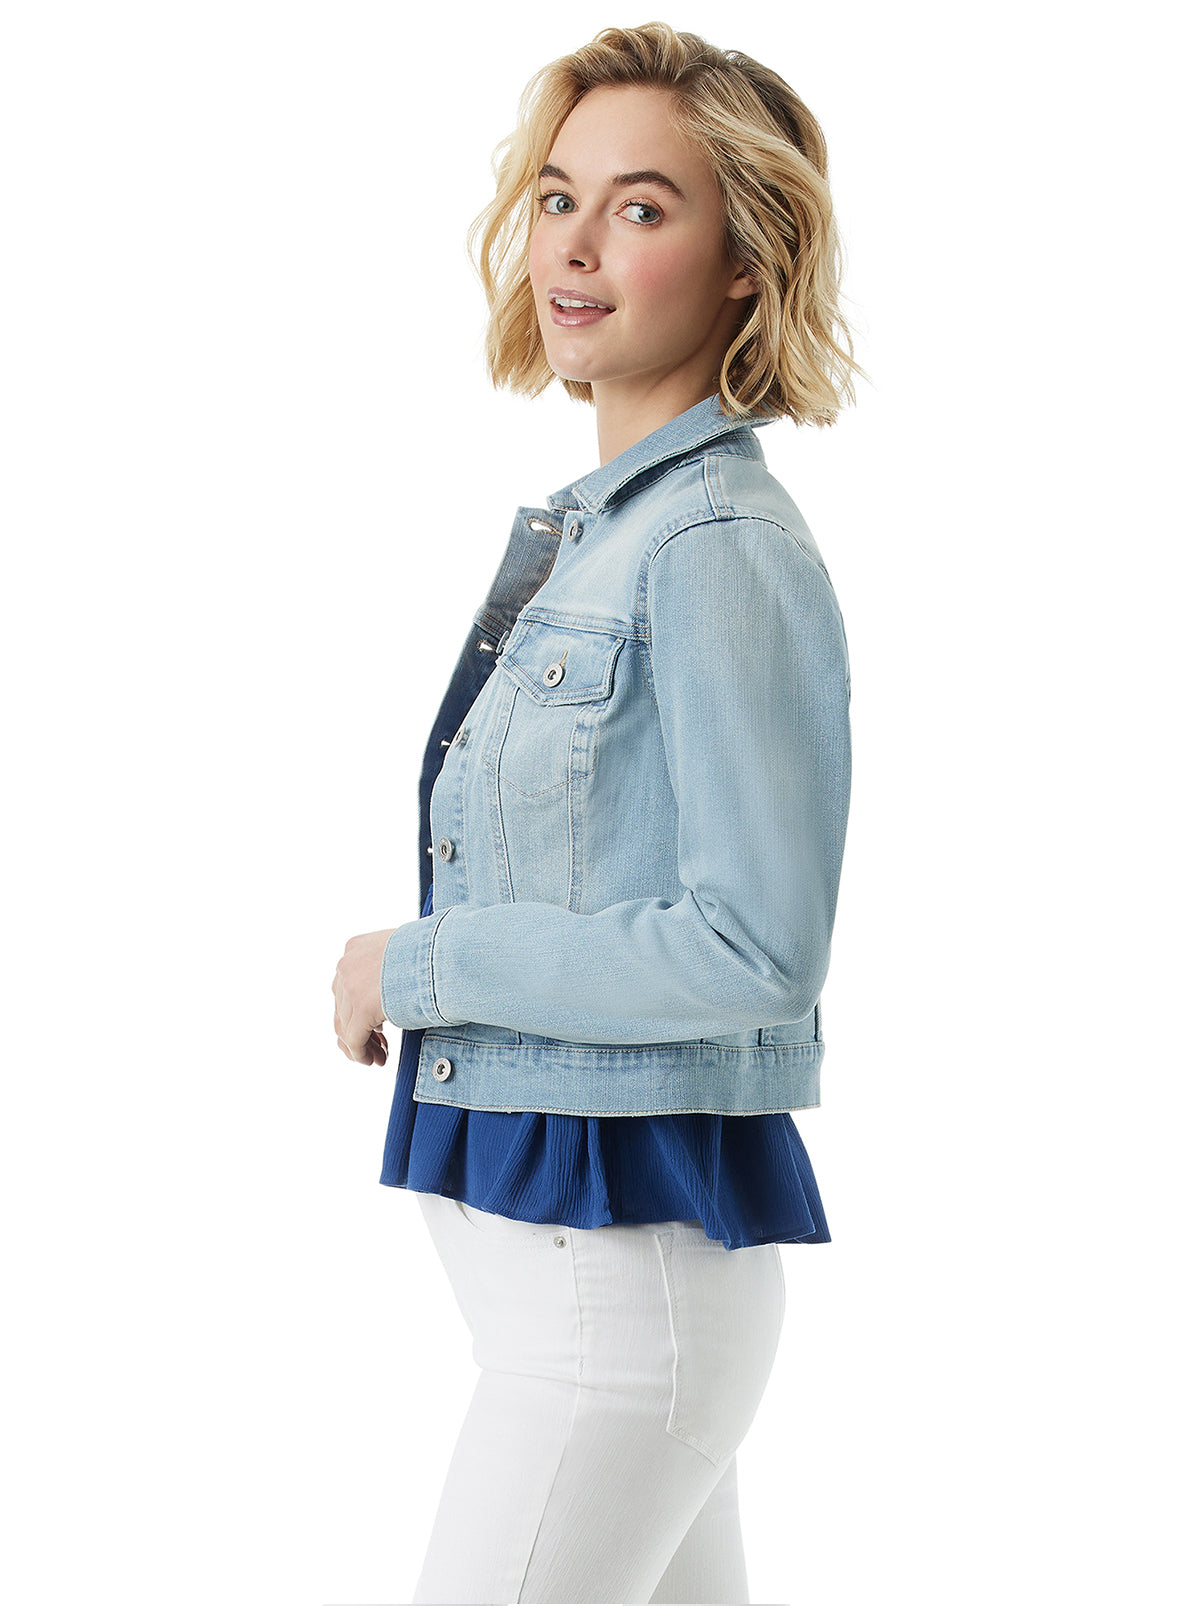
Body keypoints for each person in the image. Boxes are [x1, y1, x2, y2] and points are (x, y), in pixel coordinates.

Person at [332, 21, 864, 1604]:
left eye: (642, 207)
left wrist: (419, 964)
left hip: (615, 1325)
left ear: (748, 263)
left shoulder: (713, 547)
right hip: (582, 1312)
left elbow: (756, 945)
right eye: (560, 196)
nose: (574, 244)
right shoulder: (602, 538)